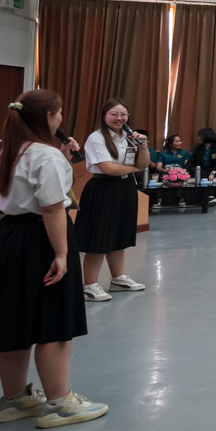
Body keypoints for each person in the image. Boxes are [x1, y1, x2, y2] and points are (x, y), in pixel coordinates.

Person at [0, 89, 108, 428]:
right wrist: (61, 253)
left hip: (8, 238)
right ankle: (60, 404)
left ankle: (14, 400)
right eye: (59, 113)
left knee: (13, 320)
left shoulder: (12, 151)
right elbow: (52, 208)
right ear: (47, 117)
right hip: (40, 240)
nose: (61, 118)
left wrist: (62, 157)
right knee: (54, 321)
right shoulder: (46, 156)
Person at [75, 98, 149, 303]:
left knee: (119, 234)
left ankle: (118, 278)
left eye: (123, 114)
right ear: (104, 116)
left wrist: (143, 147)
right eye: (114, 114)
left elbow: (144, 163)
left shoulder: (129, 137)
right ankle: (89, 285)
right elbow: (108, 168)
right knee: (99, 237)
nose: (119, 118)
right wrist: (135, 168)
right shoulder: (96, 138)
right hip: (103, 188)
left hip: (125, 188)